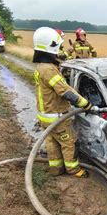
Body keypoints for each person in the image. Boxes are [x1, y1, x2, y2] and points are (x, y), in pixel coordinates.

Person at [32, 27, 98, 177]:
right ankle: (73, 170)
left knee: (52, 143)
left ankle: (56, 169)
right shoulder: (49, 69)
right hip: (56, 116)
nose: (58, 50)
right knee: (69, 143)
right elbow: (66, 91)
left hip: (45, 115)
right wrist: (86, 104)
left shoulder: (42, 67)